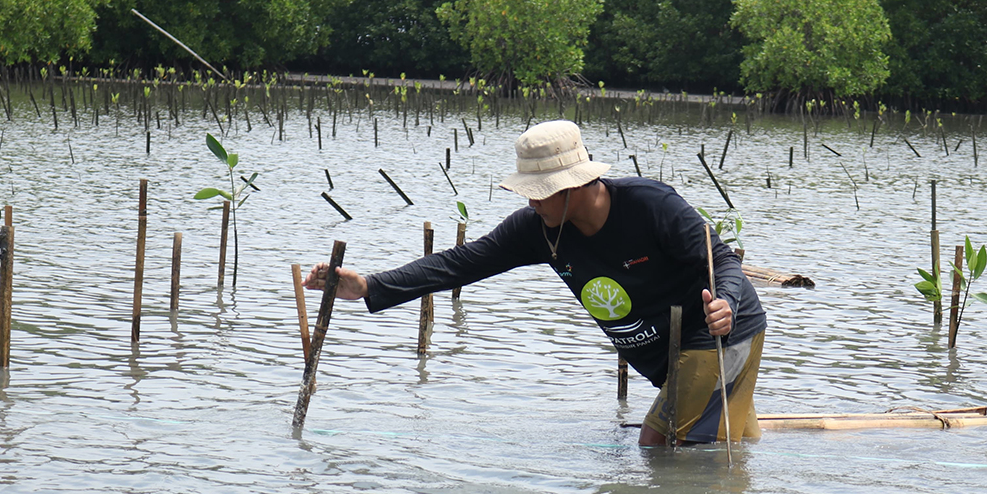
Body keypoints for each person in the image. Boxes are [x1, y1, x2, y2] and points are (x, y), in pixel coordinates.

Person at [304, 119, 766, 446]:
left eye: (540, 193)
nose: (532, 203)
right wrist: (368, 285)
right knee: (722, 443)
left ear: (575, 187)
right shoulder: (536, 229)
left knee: (658, 447)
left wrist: (724, 302)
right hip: (663, 352)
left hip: (720, 333)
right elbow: (458, 264)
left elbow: (720, 258)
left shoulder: (650, 205)